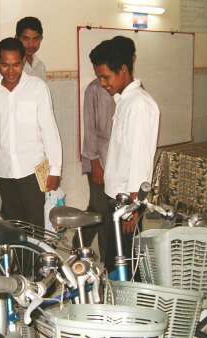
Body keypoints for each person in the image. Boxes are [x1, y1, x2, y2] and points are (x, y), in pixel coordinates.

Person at [89, 36, 160, 273]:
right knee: (116, 263)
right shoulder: (125, 100)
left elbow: (140, 159)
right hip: (117, 200)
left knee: (126, 268)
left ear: (123, 70)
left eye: (106, 77)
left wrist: (134, 207)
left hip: (126, 204)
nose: (102, 83)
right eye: (99, 77)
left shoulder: (138, 105)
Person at [0, 37, 62, 226]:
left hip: (33, 172)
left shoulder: (37, 88)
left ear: (24, 61)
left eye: (16, 65)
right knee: (12, 227)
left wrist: (55, 169)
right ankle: (16, 258)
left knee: (36, 227)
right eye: (5, 65)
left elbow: (49, 130)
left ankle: (38, 256)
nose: (10, 71)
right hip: (6, 173)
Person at [76, 79, 115, 261]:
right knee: (100, 211)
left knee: (103, 210)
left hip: (117, 161)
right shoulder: (93, 89)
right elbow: (90, 129)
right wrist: (95, 163)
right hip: (98, 159)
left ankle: (79, 248)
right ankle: (82, 251)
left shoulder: (127, 89)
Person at [0, 17, 46, 81]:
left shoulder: (41, 66)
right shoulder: (5, 66)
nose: (31, 44)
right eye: (26, 39)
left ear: (41, 39)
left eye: (35, 39)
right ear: (16, 38)